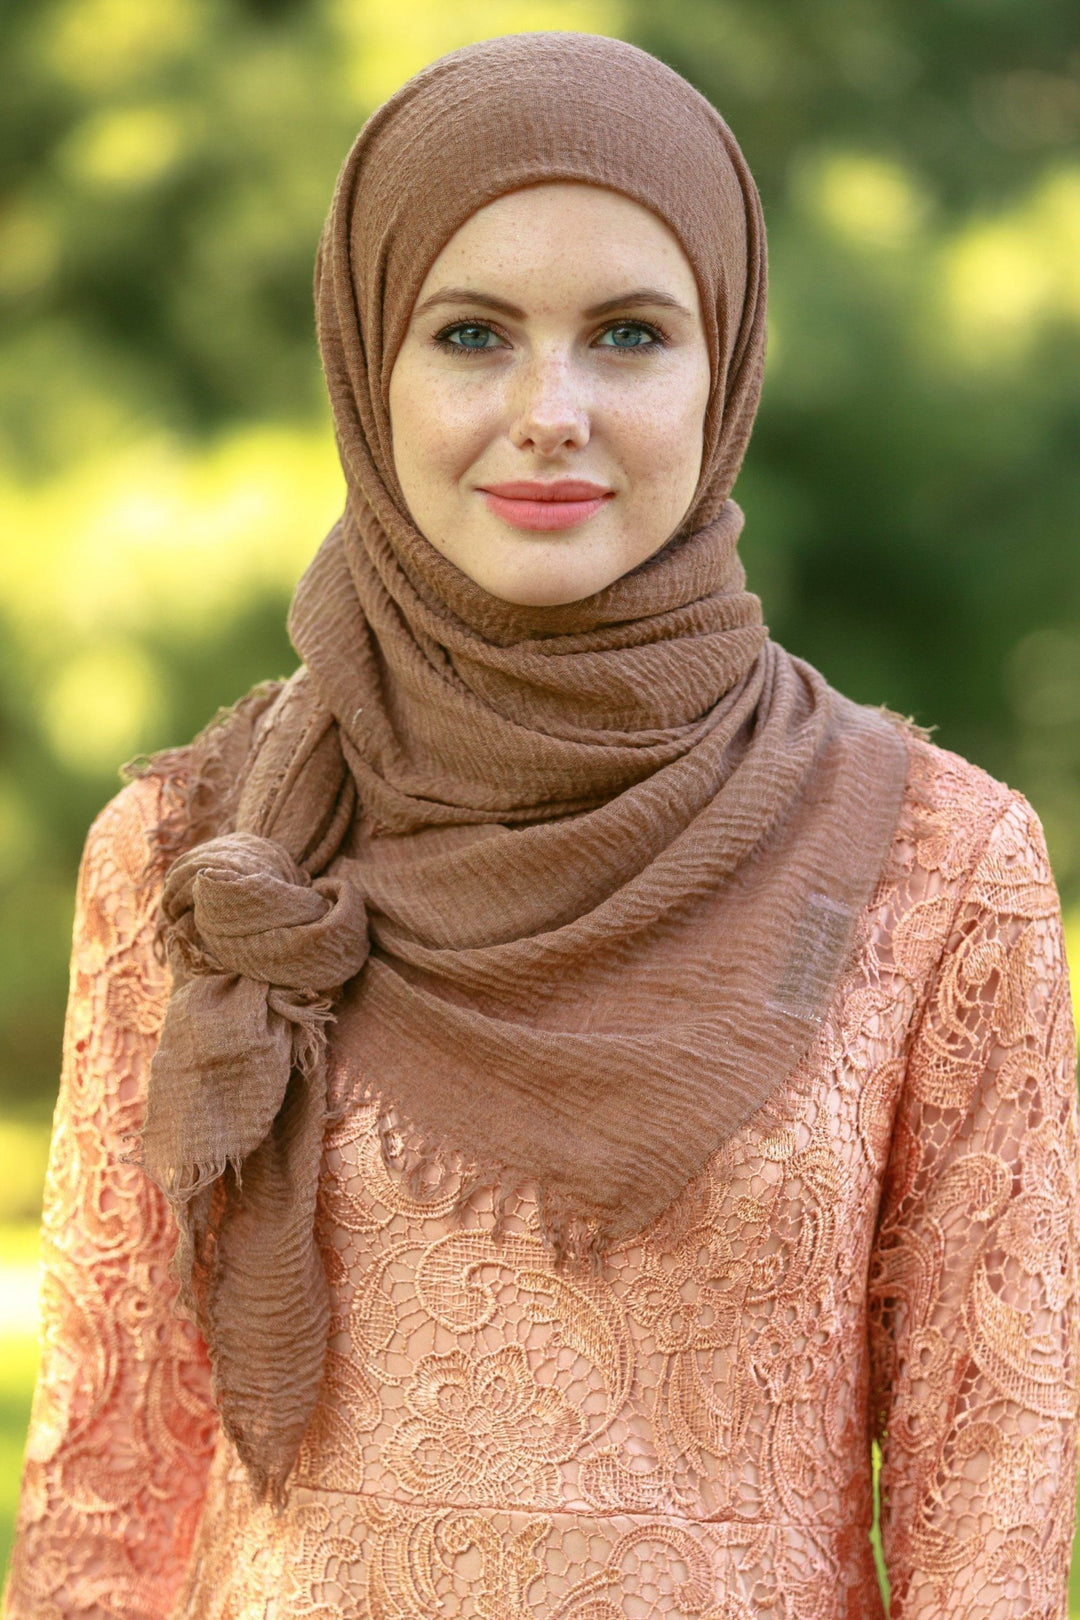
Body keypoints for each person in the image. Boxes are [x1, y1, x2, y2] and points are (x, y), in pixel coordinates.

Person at [4, 32, 1078, 1620]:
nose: (549, 412)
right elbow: (105, 1493)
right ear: (370, 360)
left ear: (727, 372)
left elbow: (989, 1514)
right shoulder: (193, 853)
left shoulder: (940, 867)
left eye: (630, 335)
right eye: (472, 333)